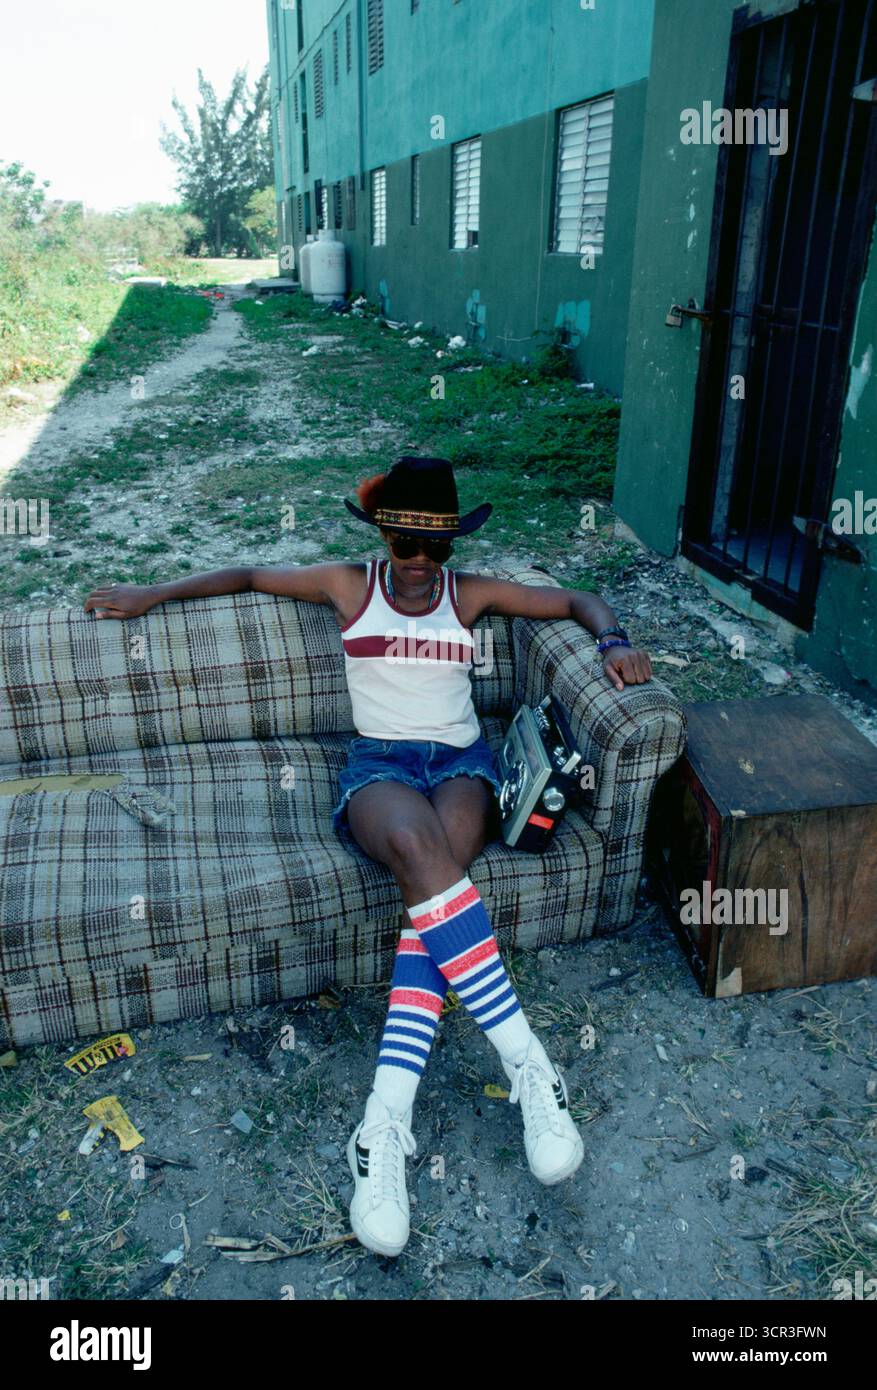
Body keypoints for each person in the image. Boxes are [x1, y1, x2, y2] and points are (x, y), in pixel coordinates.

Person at [83, 455, 652, 1259]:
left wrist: (614, 640)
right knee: (421, 851)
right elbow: (248, 572)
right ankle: (528, 1064)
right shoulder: (349, 586)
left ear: (450, 545)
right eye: (403, 544)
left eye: (434, 548)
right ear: (384, 537)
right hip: (380, 767)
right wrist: (151, 595)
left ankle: (383, 1126)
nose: (418, 565)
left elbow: (577, 599)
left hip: (462, 765)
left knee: (433, 895)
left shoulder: (472, 594)